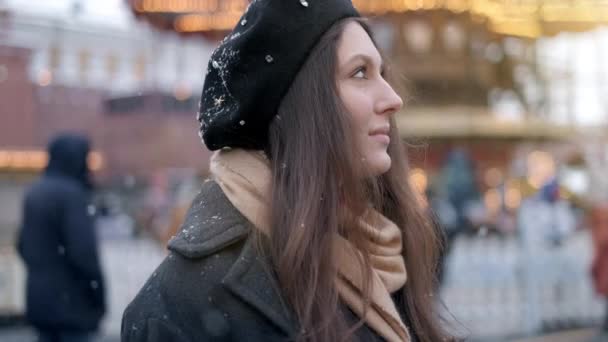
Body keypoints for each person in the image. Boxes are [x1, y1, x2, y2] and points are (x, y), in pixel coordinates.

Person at [122, 1, 452, 341]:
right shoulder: (180, 306)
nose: (393, 98)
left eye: (381, 73)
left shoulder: (382, 250)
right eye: (360, 73)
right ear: (299, 103)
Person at [17, 133, 106, 342]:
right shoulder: (72, 194)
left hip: (40, 304)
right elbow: (83, 253)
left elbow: (22, 245)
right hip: (72, 306)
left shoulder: (35, 192)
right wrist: (98, 296)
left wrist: (42, 273)